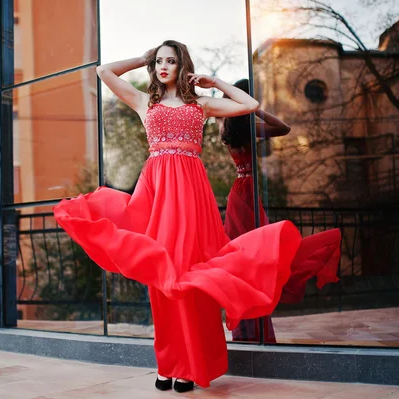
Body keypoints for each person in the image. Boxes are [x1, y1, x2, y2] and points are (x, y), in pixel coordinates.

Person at [53, 40, 334, 392]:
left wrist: (214, 83)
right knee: (164, 281)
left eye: (170, 61)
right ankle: (167, 363)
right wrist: (142, 59)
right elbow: (103, 71)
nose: (163, 67)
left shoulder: (199, 105)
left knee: (193, 278)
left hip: (192, 195)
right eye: (159, 62)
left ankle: (189, 366)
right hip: (157, 195)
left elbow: (250, 104)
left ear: (182, 64)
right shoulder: (145, 102)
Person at [217, 79, 342, 343]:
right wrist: (256, 109)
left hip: (237, 194)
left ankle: (244, 330)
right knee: (262, 259)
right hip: (250, 194)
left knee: (243, 263)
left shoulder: (224, 126)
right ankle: (255, 329)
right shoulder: (251, 127)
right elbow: (284, 128)